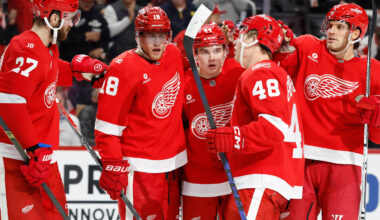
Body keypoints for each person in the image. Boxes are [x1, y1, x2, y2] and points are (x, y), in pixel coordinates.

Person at [0, 0, 107, 218]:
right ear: (55, 18)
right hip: (18, 159)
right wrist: (33, 149)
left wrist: (78, 70)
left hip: (42, 158)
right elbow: (10, 102)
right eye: (69, 17)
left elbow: (44, 72)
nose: (72, 24)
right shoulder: (25, 47)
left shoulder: (46, 48)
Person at [277, 3, 380, 219]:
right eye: (330, 25)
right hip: (300, 160)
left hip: (345, 166)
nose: (331, 31)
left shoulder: (373, 71)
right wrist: (279, 43)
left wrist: (377, 118)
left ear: (357, 33)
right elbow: (275, 68)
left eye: (340, 27)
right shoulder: (307, 47)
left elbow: (377, 137)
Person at [206, 14, 304, 219]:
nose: (235, 42)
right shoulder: (273, 72)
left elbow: (274, 128)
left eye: (240, 34)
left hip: (259, 179)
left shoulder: (261, 72)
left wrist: (232, 137)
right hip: (268, 180)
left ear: (251, 38)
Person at [94, 6, 186, 220]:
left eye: (161, 35)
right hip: (140, 169)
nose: (157, 42)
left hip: (174, 167)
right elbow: (106, 126)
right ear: (138, 36)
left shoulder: (172, 53)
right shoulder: (121, 67)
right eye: (150, 35)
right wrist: (112, 164)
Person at [182, 23, 245, 219]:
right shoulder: (184, 84)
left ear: (226, 51)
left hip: (236, 175)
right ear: (195, 55)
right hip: (197, 178)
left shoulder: (240, 73)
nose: (212, 57)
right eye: (205, 51)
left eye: (217, 50)